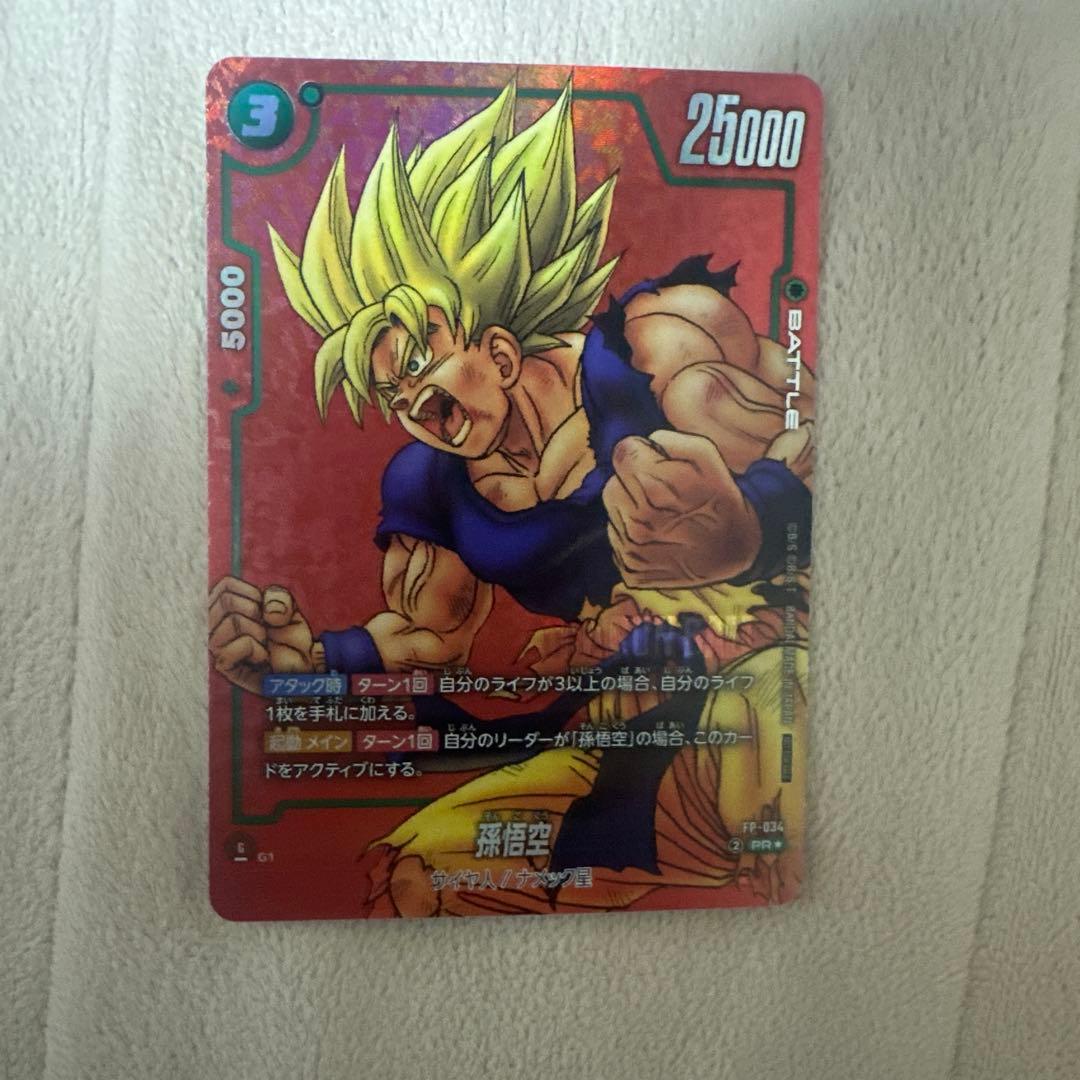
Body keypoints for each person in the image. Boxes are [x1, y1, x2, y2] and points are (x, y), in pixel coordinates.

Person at [209, 80, 813, 915]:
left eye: (418, 362)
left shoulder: (653, 356)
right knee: (413, 878)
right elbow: (430, 636)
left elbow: (809, 440)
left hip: (760, 685)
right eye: (390, 393)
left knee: (766, 770)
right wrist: (312, 664)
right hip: (620, 730)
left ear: (496, 348)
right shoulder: (430, 484)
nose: (412, 404)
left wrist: (748, 523)